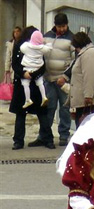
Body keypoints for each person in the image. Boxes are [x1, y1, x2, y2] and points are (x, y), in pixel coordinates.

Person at [28, 13, 75, 148]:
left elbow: (74, 61)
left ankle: (64, 136)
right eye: (59, 26)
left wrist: (65, 76)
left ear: (67, 24)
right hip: (48, 79)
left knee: (64, 109)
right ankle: (44, 135)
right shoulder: (47, 36)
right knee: (48, 108)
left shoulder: (72, 39)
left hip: (62, 80)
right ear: (55, 25)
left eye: (64, 26)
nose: (61, 29)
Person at [9, 26, 53, 150]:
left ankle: (48, 139)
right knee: (20, 113)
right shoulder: (19, 46)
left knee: (42, 112)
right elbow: (15, 64)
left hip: (36, 84)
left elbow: (42, 65)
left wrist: (34, 74)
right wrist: (23, 73)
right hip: (22, 84)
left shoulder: (38, 48)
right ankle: (18, 141)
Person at [66, 32, 94, 128]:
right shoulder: (84, 53)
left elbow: (90, 76)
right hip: (82, 100)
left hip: (88, 101)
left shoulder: (89, 54)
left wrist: (88, 96)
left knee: (86, 127)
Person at [19, 30, 51, 108]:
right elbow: (49, 49)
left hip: (27, 67)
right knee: (40, 83)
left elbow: (21, 48)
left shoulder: (26, 46)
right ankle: (44, 97)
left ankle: (28, 100)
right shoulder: (42, 48)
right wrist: (45, 43)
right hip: (37, 68)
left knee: (25, 84)